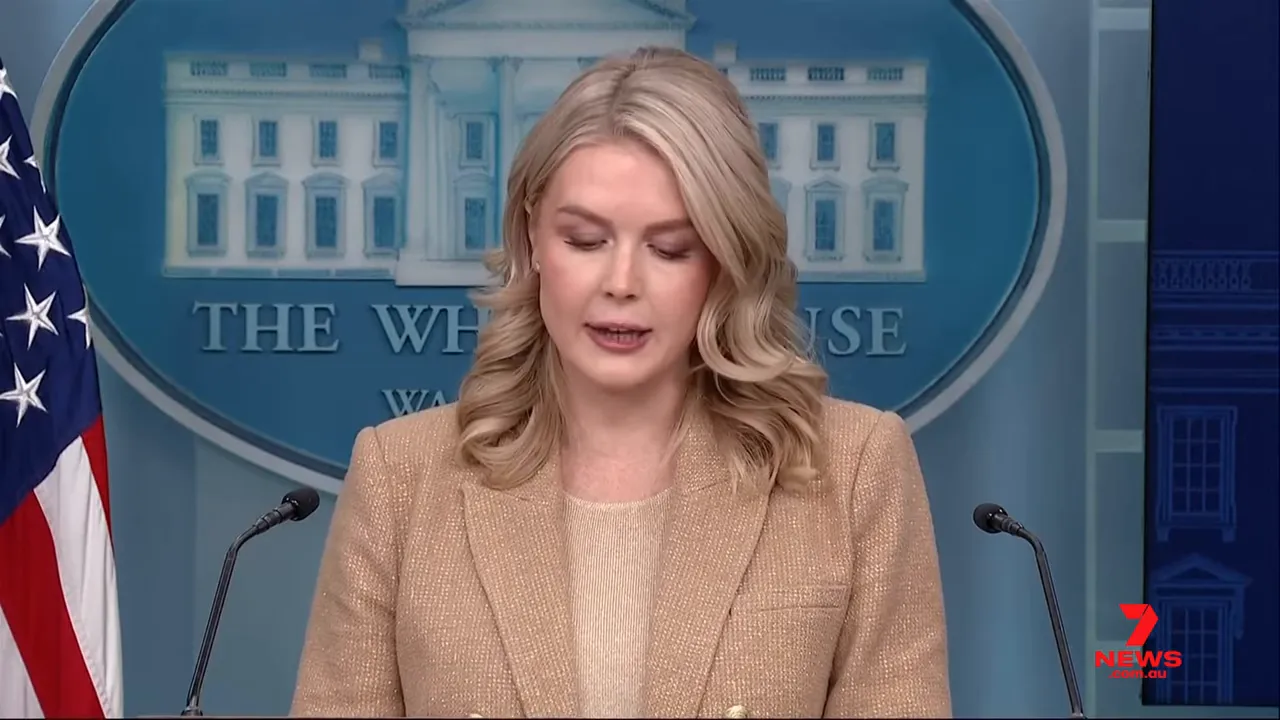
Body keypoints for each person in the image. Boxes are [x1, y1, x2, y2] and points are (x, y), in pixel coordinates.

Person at [290, 46, 951, 719]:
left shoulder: (857, 469)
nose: (622, 284)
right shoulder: (400, 477)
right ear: (532, 242)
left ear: (725, 261)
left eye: (670, 249)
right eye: (584, 240)